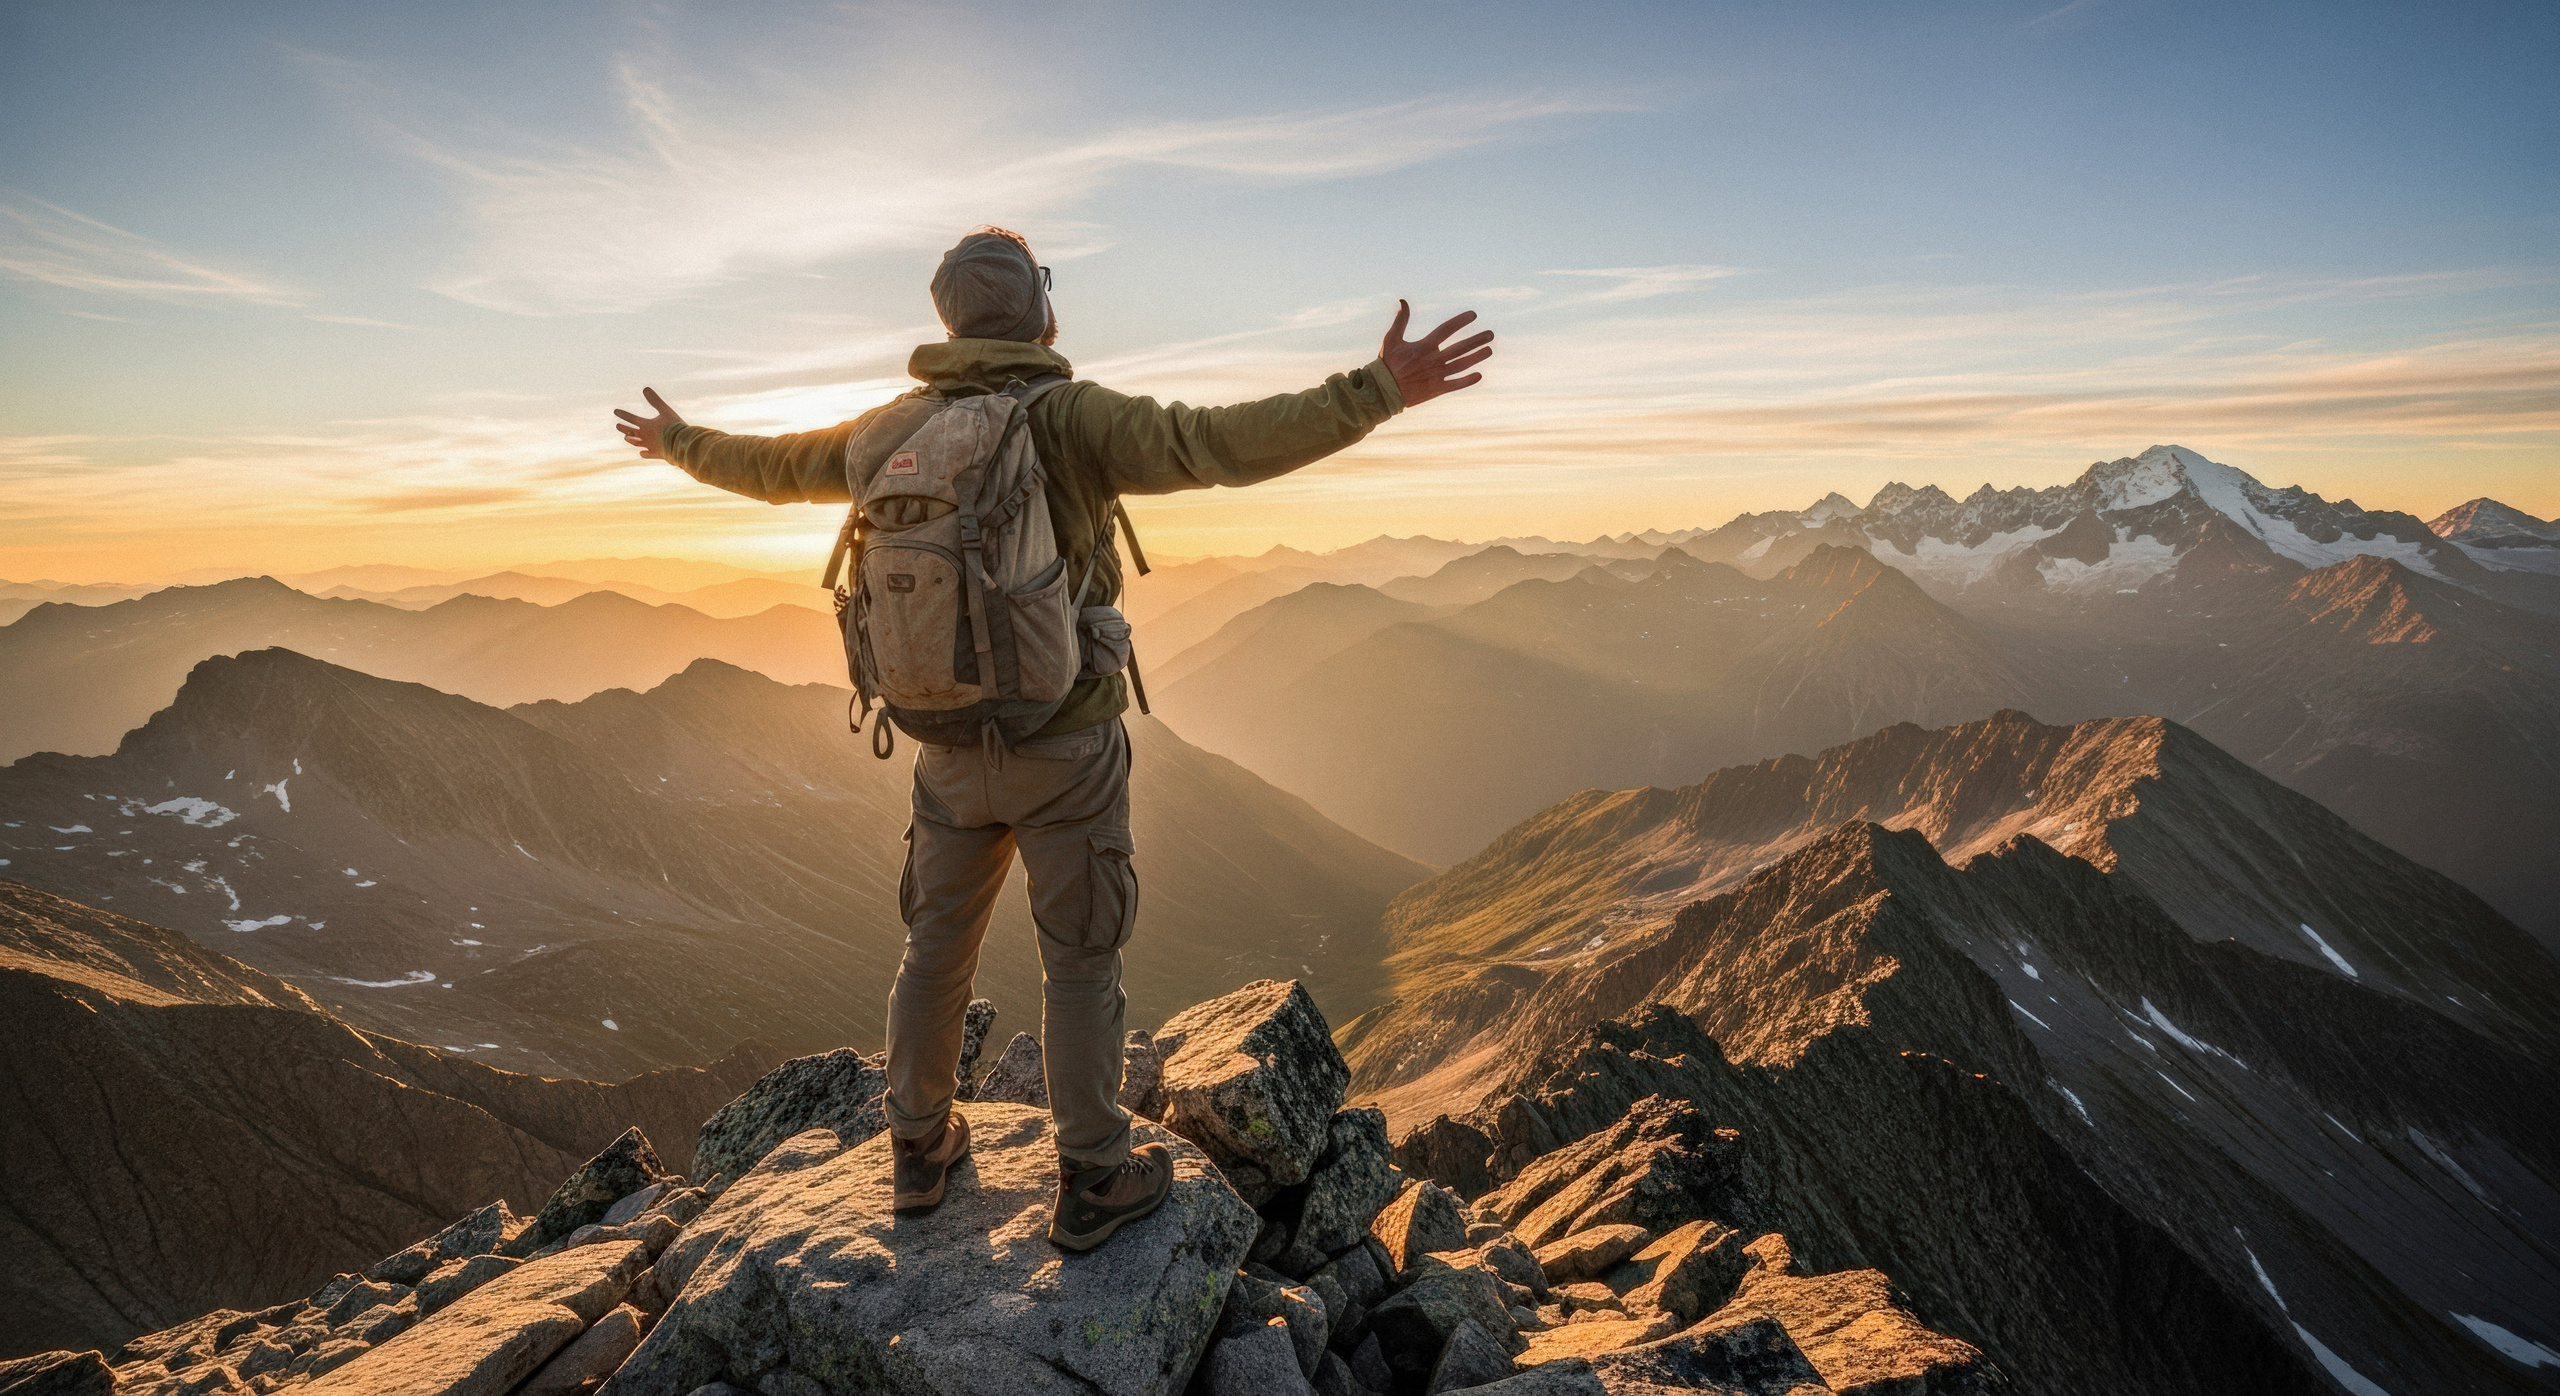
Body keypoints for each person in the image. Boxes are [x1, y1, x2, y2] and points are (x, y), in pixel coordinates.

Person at [614, 227, 1491, 1250]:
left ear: (947, 321)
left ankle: (917, 1151)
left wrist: (679, 444)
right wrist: (1374, 391)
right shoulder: (1067, 418)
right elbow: (1214, 440)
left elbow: (768, 467)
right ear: (1042, 312)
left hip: (943, 747)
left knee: (934, 948)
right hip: (1064, 743)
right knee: (1078, 958)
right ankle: (1093, 1175)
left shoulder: (884, 433)